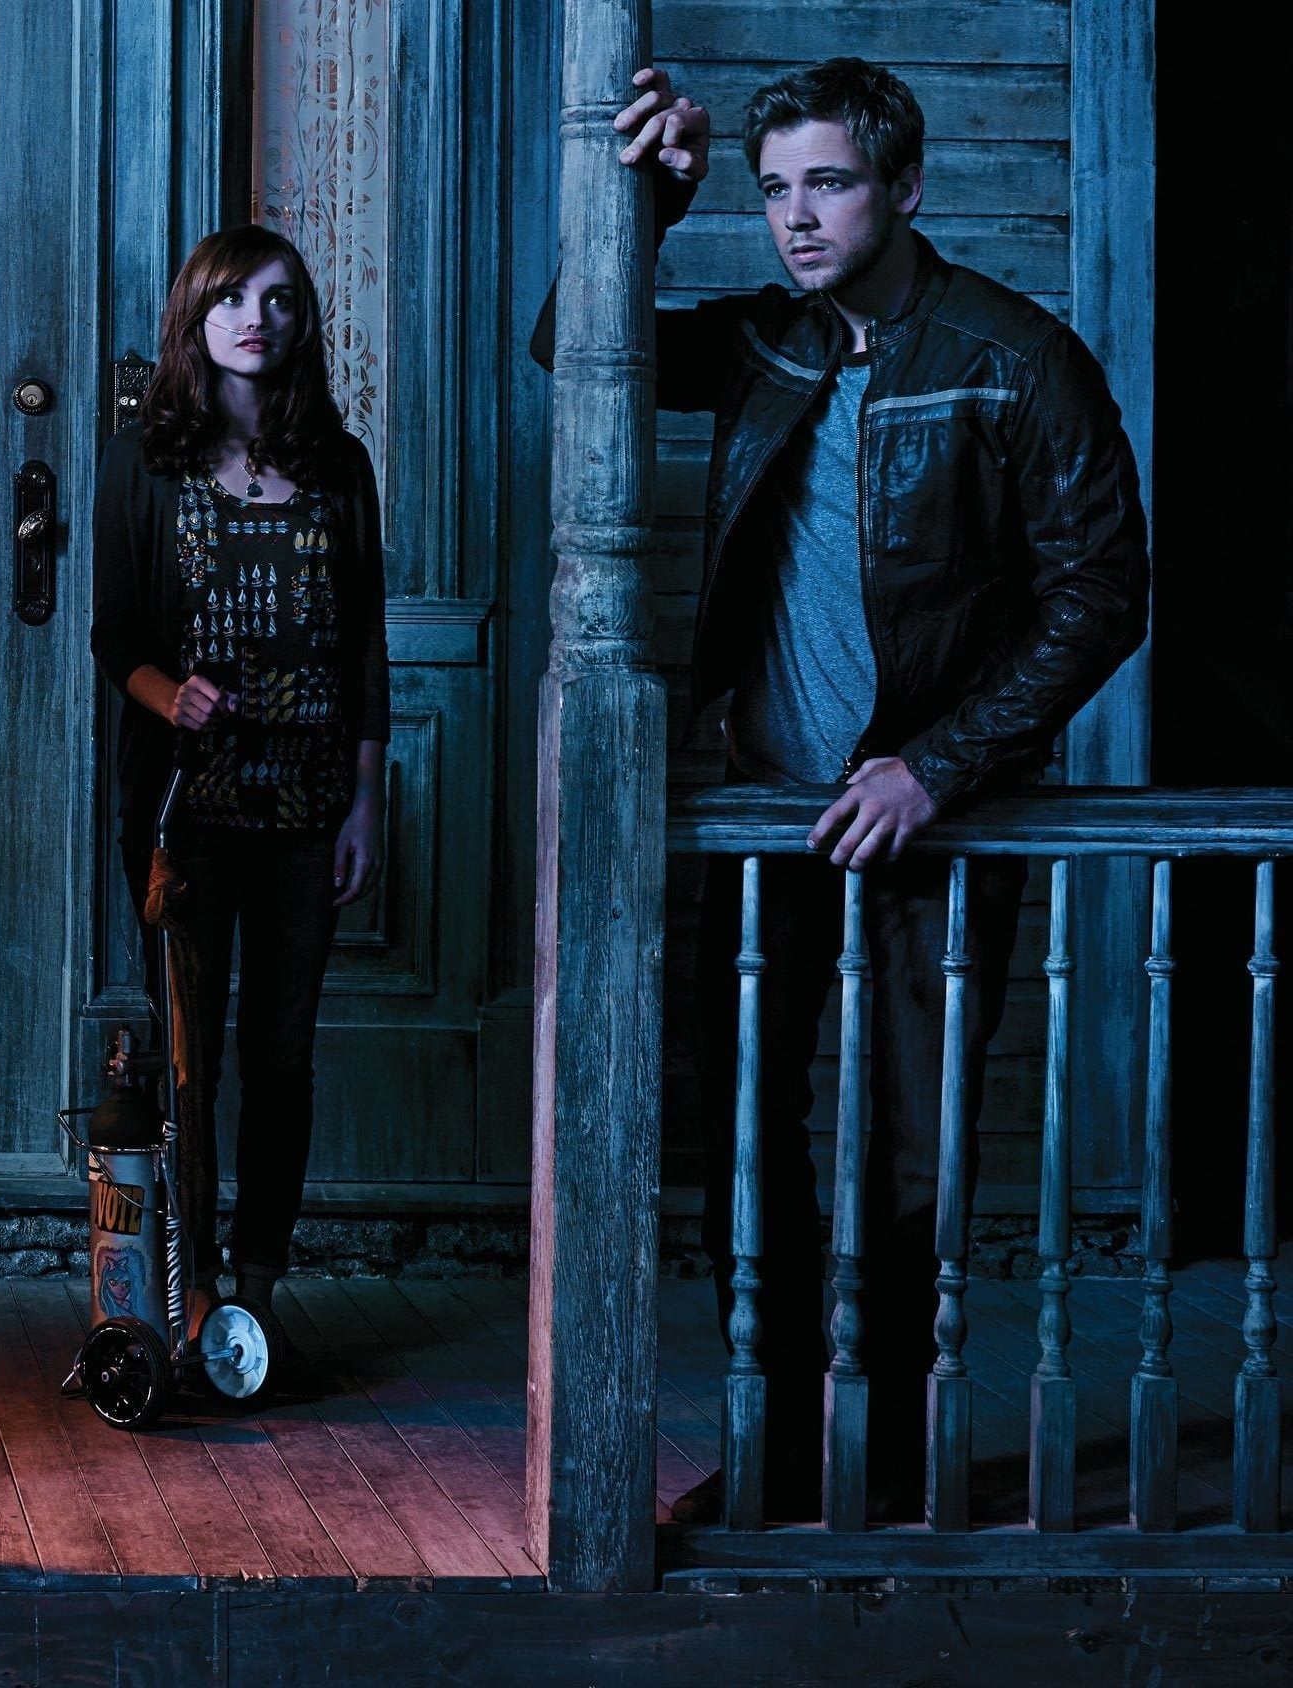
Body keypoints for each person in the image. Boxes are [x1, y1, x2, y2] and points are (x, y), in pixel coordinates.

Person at [555, 57, 1148, 1521]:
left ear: (905, 186)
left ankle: (885, 1466)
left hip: (929, 825)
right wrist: (649, 211)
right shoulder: (771, 340)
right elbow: (573, 343)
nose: (797, 218)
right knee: (749, 1139)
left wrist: (938, 766)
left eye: (827, 183)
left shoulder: (1015, 358)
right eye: (774, 190)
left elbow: (1104, 591)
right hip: (766, 811)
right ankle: (770, 1448)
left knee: (911, 1151)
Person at [89, 226, 389, 1322]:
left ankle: (259, 1287)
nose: (255, 319)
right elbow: (114, 634)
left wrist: (366, 799)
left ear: (302, 321)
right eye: (232, 298)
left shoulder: (339, 464)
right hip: (187, 804)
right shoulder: (143, 460)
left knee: (284, 1051)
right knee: (189, 1056)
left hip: (309, 800)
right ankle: (194, 1288)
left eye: (279, 299)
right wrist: (172, 695)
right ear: (195, 316)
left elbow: (366, 647)